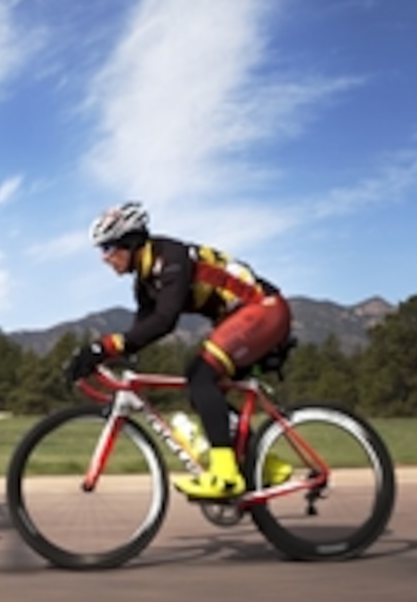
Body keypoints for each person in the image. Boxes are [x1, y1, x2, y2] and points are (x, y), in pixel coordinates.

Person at [64, 202, 294, 500]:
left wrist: (104, 346)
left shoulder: (171, 257)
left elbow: (165, 320)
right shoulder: (144, 284)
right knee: (203, 394)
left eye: (108, 248)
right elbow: (138, 336)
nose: (104, 258)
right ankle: (265, 467)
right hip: (241, 317)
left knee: (199, 375)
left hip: (263, 309)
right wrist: (94, 357)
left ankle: (225, 476)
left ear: (130, 242)